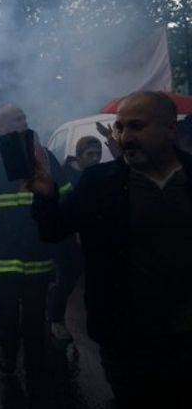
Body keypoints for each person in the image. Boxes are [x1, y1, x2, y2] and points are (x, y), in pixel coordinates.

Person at [29, 91, 192, 408]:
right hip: (126, 333)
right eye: (120, 128)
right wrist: (45, 196)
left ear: (170, 130)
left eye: (137, 127)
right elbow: (53, 231)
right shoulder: (99, 182)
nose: (124, 137)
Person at [0, 105, 69, 379]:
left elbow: (64, 194)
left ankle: (34, 363)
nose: (24, 122)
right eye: (16, 119)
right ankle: (9, 355)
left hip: (37, 252)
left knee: (34, 315)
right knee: (6, 316)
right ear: (0, 127)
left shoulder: (43, 154)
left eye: (24, 118)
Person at [50, 136, 101, 343]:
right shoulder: (65, 176)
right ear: (79, 156)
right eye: (90, 154)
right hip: (68, 241)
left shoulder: (98, 175)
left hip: (92, 238)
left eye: (98, 154)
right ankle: (56, 320)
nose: (96, 159)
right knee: (66, 281)